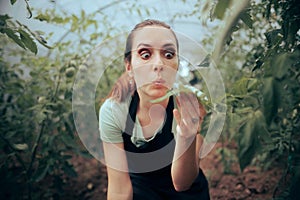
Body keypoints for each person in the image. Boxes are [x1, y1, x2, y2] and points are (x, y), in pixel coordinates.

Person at [99, 19, 210, 200]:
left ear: (176, 64)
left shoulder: (190, 101)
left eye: (168, 54)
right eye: (145, 54)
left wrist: (186, 137)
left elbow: (182, 183)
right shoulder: (114, 111)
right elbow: (119, 189)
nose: (159, 64)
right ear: (129, 66)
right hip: (142, 192)